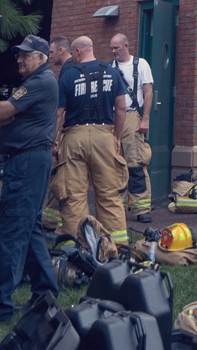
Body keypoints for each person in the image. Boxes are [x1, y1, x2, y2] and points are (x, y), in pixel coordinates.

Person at [0, 35, 60, 326]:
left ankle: (0, 308)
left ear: (41, 58)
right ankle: (45, 296)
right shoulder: (35, 82)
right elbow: (2, 115)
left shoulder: (39, 82)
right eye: (19, 54)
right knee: (29, 229)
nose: (20, 59)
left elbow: (0, 111)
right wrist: (5, 115)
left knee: (11, 233)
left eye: (26, 55)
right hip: (30, 160)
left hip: (27, 162)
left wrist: (3, 114)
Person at [55, 35, 129, 249]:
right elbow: (122, 109)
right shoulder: (113, 73)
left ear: (77, 52)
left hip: (74, 138)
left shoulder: (68, 76)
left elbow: (60, 113)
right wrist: (116, 137)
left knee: (74, 196)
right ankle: (117, 247)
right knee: (108, 194)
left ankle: (77, 248)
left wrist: (54, 141)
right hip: (104, 137)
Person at [109, 31, 154, 223]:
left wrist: (145, 119)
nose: (113, 51)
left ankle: (141, 208)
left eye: (116, 47)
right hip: (113, 117)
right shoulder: (110, 67)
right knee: (115, 162)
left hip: (132, 115)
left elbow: (148, 91)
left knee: (135, 162)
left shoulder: (140, 64)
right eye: (111, 48)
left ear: (126, 46)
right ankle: (116, 206)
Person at [41, 36, 73, 232]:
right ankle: (51, 219)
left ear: (62, 50)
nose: (49, 56)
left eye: (51, 52)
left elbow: (60, 110)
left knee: (59, 176)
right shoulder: (73, 68)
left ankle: (52, 221)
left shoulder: (67, 71)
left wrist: (54, 136)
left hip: (66, 132)